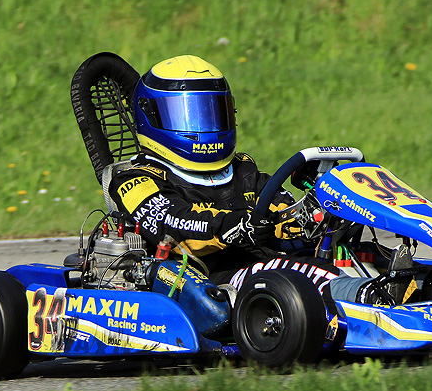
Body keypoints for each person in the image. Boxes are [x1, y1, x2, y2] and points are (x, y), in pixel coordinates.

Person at [107, 55, 340, 289]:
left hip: (268, 268)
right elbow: (174, 224)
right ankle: (357, 300)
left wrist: (311, 216)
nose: (204, 128)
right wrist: (234, 225)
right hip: (207, 280)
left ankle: (366, 295)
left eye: (211, 115)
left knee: (360, 256)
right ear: (151, 117)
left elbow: (281, 209)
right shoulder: (135, 180)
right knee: (306, 278)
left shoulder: (241, 170)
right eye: (188, 117)